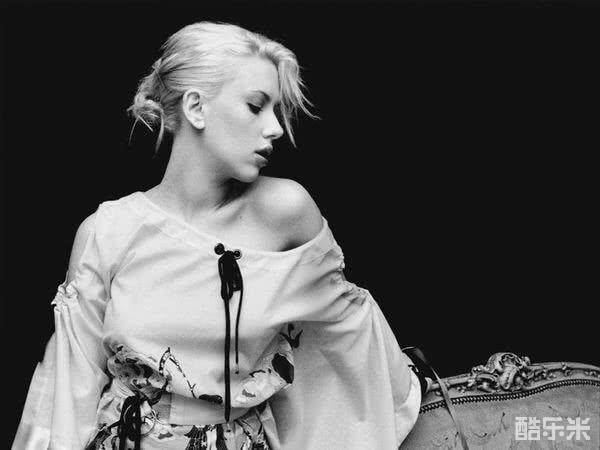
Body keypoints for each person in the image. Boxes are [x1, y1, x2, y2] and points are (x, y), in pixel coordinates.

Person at [13, 21, 421, 449]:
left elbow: (348, 333)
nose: (276, 128)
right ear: (196, 107)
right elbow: (69, 387)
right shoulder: (109, 230)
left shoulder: (286, 212)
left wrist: (408, 391)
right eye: (256, 106)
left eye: (276, 110)